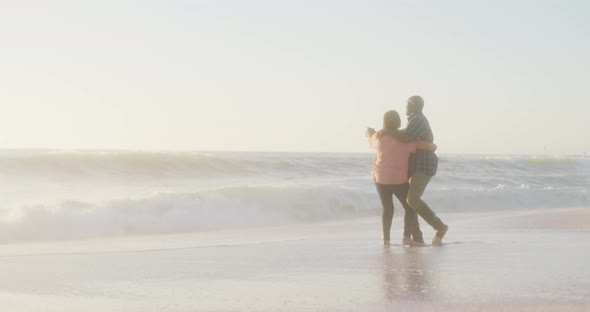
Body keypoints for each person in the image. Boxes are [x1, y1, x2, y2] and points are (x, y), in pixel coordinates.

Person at [366, 110, 437, 247]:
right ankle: (406, 237)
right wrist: (433, 146)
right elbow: (429, 147)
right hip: (398, 179)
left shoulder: (378, 137)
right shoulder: (405, 139)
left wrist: (369, 133)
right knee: (409, 207)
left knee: (387, 208)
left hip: (380, 178)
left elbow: (370, 140)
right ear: (398, 123)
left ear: (384, 122)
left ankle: (385, 241)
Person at [403, 95, 448, 246]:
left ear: (414, 105)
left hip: (424, 165)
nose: (406, 107)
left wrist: (384, 132)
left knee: (412, 199)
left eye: (408, 104)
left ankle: (439, 226)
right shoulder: (414, 120)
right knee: (410, 201)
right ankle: (414, 236)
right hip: (417, 165)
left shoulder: (418, 120)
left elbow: (405, 137)